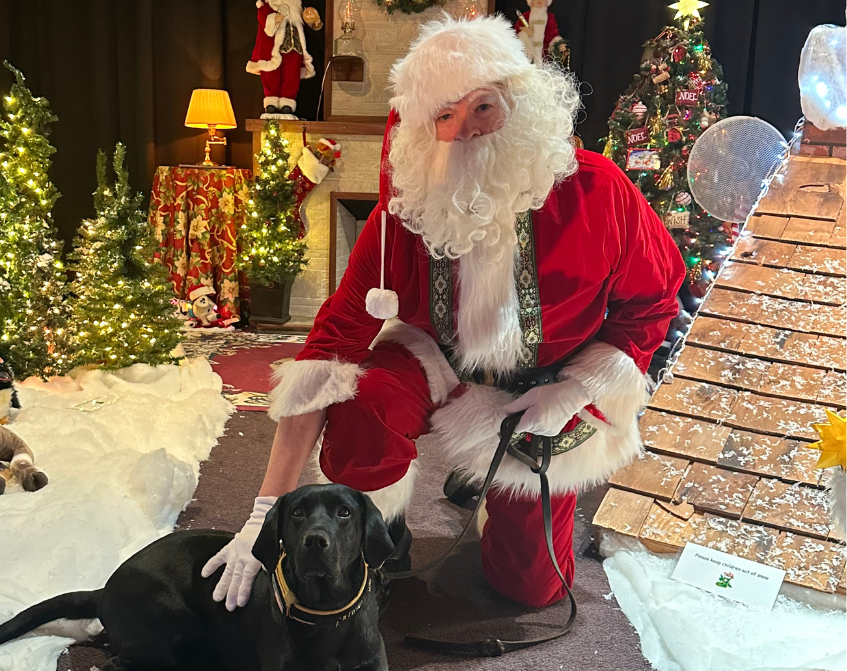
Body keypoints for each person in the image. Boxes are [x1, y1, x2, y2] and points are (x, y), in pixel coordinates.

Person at [204, 14, 684, 611]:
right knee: (362, 402)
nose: (466, 133)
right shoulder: (403, 215)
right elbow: (330, 346)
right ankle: (378, 536)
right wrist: (262, 513)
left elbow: (655, 300)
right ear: (422, 128)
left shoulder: (600, 191)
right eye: (445, 116)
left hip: (548, 381)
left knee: (532, 589)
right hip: (440, 361)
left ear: (520, 104)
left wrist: (576, 388)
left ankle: (493, 500)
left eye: (483, 108)